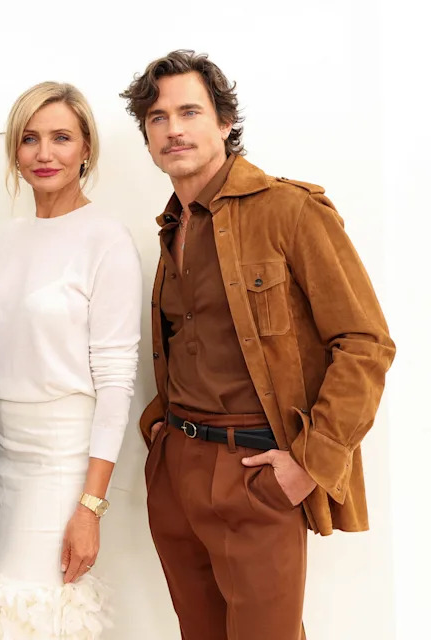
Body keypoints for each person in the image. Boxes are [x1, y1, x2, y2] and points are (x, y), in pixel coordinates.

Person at [120, 50, 395, 639]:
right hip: (177, 469)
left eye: (189, 111)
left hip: (256, 472)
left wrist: (307, 462)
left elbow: (366, 342)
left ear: (223, 122)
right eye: (158, 118)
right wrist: (161, 443)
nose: (173, 128)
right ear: (146, 137)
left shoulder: (290, 211)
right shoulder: (172, 228)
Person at [0, 82, 142, 639]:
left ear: (86, 147)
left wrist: (90, 506)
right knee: (8, 605)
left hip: (64, 458)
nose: (44, 154)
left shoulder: (106, 239)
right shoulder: (7, 238)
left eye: (61, 137)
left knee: (36, 609)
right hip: (2, 450)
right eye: (30, 139)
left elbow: (116, 382)